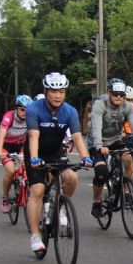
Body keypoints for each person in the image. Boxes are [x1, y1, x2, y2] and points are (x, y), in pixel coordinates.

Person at [25, 72, 93, 253]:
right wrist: (34, 158)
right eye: (54, 91)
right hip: (35, 152)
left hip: (56, 152)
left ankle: (60, 207)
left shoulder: (69, 111)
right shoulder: (33, 108)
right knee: (37, 190)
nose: (58, 95)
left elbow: (77, 136)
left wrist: (85, 157)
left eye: (61, 91)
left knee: (71, 177)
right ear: (46, 91)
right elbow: (33, 135)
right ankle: (35, 236)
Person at [88, 78, 133, 219]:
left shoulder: (128, 106)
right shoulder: (99, 106)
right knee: (101, 171)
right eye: (115, 94)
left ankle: (126, 192)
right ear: (109, 93)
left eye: (121, 94)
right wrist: (99, 146)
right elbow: (96, 128)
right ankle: (96, 201)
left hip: (116, 140)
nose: (119, 97)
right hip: (97, 142)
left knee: (128, 157)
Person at [0, 94, 31, 213]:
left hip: (21, 145)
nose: (25, 112)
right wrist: (0, 150)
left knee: (27, 169)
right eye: (22, 109)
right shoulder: (9, 116)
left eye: (27, 110)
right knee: (11, 171)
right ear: (16, 109)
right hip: (6, 146)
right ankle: (5, 197)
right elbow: (2, 133)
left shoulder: (31, 118)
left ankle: (26, 192)